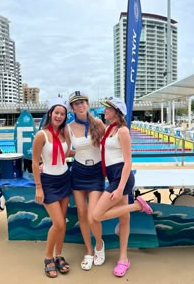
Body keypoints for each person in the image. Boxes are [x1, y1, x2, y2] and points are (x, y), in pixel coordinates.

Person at [92, 97, 153, 278]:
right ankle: (124, 259)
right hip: (113, 176)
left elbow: (128, 162)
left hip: (122, 178)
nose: (104, 111)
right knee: (124, 218)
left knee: (96, 215)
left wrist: (119, 189)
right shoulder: (110, 129)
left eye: (108, 109)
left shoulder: (123, 131)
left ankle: (138, 206)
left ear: (116, 111)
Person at [32, 97, 71, 278]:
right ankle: (48, 258)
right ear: (50, 114)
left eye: (62, 114)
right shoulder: (42, 135)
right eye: (56, 113)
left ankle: (58, 255)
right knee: (58, 223)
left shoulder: (64, 134)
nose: (59, 116)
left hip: (64, 178)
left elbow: (68, 152)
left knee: (62, 224)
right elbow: (34, 161)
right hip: (49, 181)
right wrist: (39, 187)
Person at [67, 90, 106, 270]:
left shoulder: (98, 123)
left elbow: (109, 146)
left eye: (83, 102)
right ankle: (89, 251)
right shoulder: (68, 128)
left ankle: (99, 245)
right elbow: (67, 151)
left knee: (92, 216)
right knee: (82, 214)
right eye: (76, 103)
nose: (80, 105)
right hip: (79, 172)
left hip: (96, 173)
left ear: (88, 104)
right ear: (72, 108)